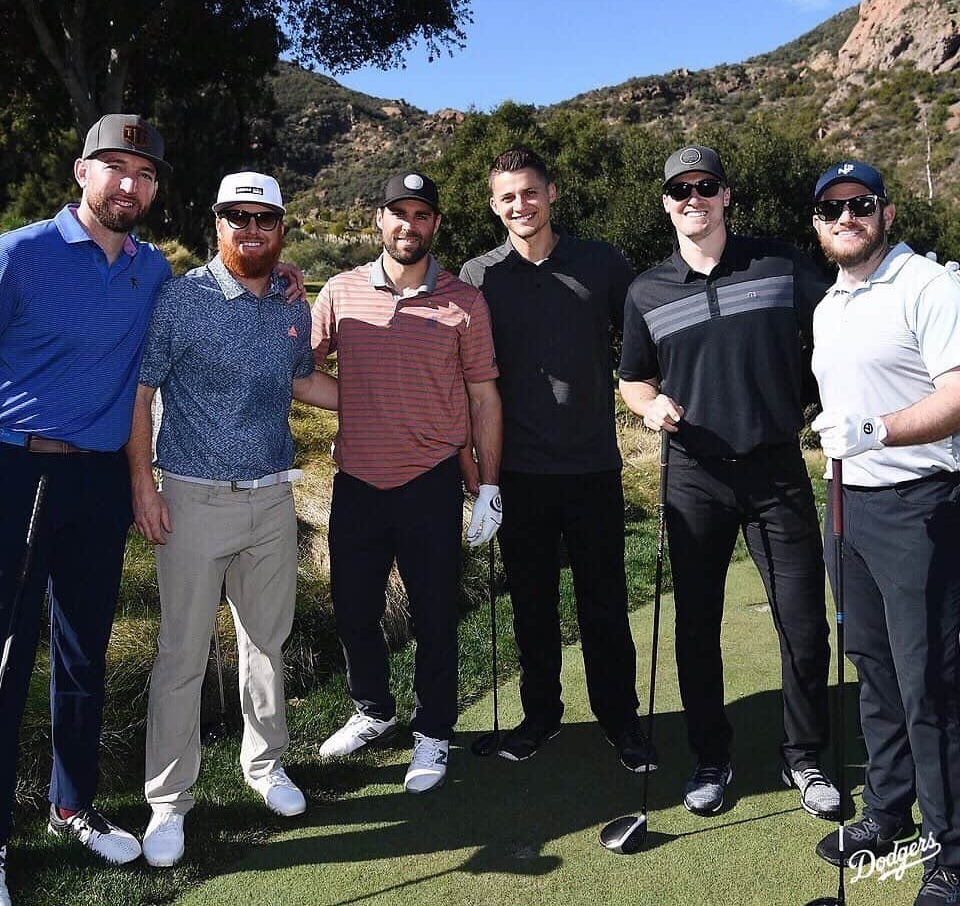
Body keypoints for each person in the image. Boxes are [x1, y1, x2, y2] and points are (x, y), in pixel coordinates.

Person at [618, 144, 839, 818]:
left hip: (776, 471)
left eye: (705, 186)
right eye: (679, 190)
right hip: (694, 479)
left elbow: (841, 325)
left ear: (726, 195)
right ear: (666, 204)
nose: (693, 199)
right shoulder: (646, 291)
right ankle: (711, 758)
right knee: (695, 628)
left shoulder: (780, 267)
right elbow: (633, 376)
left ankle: (804, 757)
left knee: (803, 628)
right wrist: (649, 404)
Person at [127, 172, 338, 868]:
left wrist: (388, 400)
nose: (251, 229)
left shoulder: (287, 302)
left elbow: (302, 378)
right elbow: (144, 388)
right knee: (182, 655)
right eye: (236, 217)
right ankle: (168, 802)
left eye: (265, 219)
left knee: (266, 646)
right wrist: (143, 484)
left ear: (281, 229)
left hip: (271, 500)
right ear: (216, 224)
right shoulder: (180, 299)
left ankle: (266, 765)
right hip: (190, 498)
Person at [0, 115, 173, 900]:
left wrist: (277, 283)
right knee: (6, 663)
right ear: (81, 173)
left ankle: (72, 805)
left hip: (100, 481)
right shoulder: (19, 254)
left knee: (83, 655)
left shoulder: (155, 271)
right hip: (16, 472)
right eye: (114, 168)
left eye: (143, 173)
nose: (128, 184)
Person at [460, 147, 653, 773]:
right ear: (494, 206)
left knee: (604, 603)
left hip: (594, 466)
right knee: (532, 606)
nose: (521, 205)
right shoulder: (478, 276)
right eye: (507, 197)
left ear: (552, 193)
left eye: (530, 193)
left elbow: (650, 331)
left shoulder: (600, 262)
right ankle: (541, 716)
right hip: (517, 474)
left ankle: (620, 720)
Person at [312, 172, 502, 794]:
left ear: (435, 225)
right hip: (357, 483)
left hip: (430, 483)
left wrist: (488, 484)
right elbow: (297, 368)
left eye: (421, 215)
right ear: (379, 220)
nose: (408, 226)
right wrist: (360, 402)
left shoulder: (464, 301)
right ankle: (374, 710)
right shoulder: (339, 291)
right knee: (355, 611)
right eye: (398, 213)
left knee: (434, 614)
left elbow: (483, 396)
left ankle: (434, 730)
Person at [809, 160, 960, 905]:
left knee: (929, 680)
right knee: (872, 667)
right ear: (817, 224)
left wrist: (875, 429)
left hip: (921, 504)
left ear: (886, 213)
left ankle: (951, 852)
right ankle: (888, 813)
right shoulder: (829, 304)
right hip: (850, 507)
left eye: (859, 204)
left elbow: (958, 397)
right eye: (831, 208)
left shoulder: (931, 287)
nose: (846, 216)